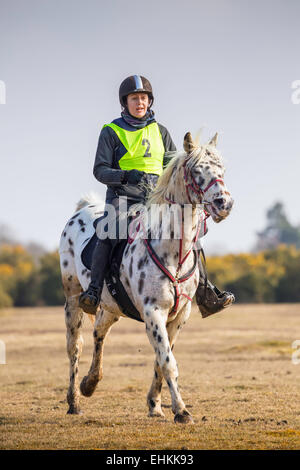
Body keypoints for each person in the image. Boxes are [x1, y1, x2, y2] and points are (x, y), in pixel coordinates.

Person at [79, 75, 234, 316]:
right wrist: (125, 176)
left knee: (191, 232)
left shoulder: (161, 131)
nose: (139, 102)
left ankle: (205, 292)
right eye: (134, 98)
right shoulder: (111, 131)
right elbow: (99, 170)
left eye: (143, 98)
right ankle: (94, 290)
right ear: (125, 102)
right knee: (109, 230)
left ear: (149, 101)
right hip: (123, 197)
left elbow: (173, 168)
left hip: (157, 200)